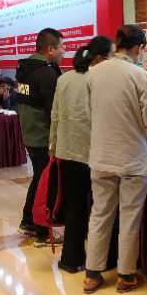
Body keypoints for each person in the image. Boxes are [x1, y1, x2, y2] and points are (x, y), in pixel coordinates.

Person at [84, 25, 147, 293]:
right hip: (132, 157)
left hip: (101, 155)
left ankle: (92, 274)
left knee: (100, 214)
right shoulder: (140, 75)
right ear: (139, 47)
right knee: (130, 216)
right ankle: (126, 275)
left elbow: (88, 113)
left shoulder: (93, 73)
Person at [50, 35, 113, 272]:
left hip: (67, 153)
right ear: (99, 58)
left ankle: (70, 259)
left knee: (74, 207)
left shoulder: (64, 79)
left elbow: (55, 115)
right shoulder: (99, 79)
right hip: (94, 153)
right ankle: (102, 261)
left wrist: (53, 147)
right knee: (100, 210)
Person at [14, 28, 65, 246]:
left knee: (38, 179)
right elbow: (55, 110)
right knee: (46, 184)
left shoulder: (25, 69)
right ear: (50, 49)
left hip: (30, 135)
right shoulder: (46, 74)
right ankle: (42, 231)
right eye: (61, 47)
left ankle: (28, 221)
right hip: (43, 137)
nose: (64, 51)